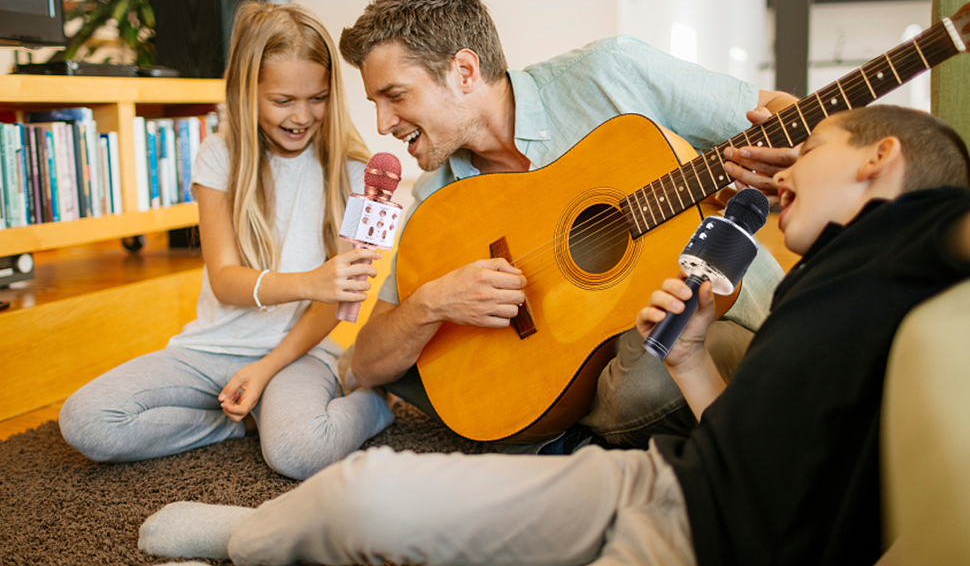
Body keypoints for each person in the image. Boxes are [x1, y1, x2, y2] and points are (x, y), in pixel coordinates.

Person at [138, 104, 970, 566]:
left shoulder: (919, 239)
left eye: (811, 148)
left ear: (878, 158)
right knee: (366, 494)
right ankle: (250, 540)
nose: (783, 169)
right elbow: (772, 461)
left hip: (701, 548)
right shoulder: (825, 274)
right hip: (656, 480)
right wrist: (687, 363)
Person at [335, 0, 797, 448]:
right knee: (432, 363)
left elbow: (780, 110)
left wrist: (784, 162)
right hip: (594, 363)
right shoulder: (439, 199)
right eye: (376, 103)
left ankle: (547, 437)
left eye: (396, 96)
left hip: (720, 323)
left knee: (649, 380)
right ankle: (550, 420)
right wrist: (434, 303)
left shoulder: (608, 72)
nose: (382, 124)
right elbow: (367, 360)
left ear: (465, 71)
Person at [58, 0, 395, 481]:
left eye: (316, 98)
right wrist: (310, 282)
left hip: (297, 353)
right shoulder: (219, 157)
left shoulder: (355, 172)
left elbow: (334, 303)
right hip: (207, 351)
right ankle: (237, 424)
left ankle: (372, 405)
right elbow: (226, 282)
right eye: (282, 101)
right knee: (87, 421)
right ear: (246, 91)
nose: (302, 116)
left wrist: (265, 369)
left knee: (298, 453)